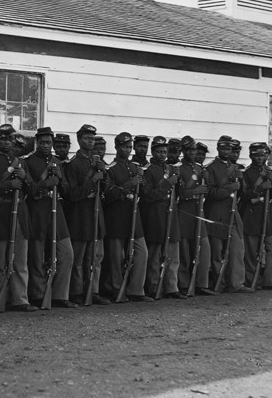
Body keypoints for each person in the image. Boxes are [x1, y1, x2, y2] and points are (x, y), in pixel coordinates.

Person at [0, 124, 37, 312]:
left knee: (20, 260)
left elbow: (33, 190)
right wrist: (8, 185)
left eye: (10, 139)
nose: (6, 142)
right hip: (0, 214)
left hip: (19, 213)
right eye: (3, 138)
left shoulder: (21, 162)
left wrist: (25, 178)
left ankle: (20, 299)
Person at [22, 127, 77, 308]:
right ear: (37, 142)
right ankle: (38, 294)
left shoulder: (57, 162)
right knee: (37, 255)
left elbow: (67, 191)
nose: (46, 146)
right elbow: (28, 189)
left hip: (57, 209)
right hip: (37, 210)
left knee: (66, 252)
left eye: (49, 142)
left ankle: (60, 295)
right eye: (43, 142)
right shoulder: (28, 161)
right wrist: (45, 183)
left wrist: (60, 179)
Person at [101, 132, 153, 302]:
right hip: (117, 216)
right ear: (116, 147)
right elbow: (109, 195)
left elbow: (144, 192)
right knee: (117, 257)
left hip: (133, 214)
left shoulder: (134, 167)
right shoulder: (111, 168)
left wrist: (141, 180)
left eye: (129, 147)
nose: (128, 150)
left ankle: (136, 289)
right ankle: (116, 289)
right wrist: (129, 185)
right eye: (124, 147)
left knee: (141, 252)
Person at [63, 124, 109, 305]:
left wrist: (103, 174)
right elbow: (73, 194)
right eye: (87, 138)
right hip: (80, 217)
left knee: (96, 258)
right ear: (79, 140)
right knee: (79, 259)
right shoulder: (73, 164)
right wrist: (92, 181)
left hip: (96, 216)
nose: (90, 141)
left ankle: (94, 290)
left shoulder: (98, 162)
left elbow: (106, 190)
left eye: (92, 138)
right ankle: (77, 292)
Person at [204, 136, 251, 293]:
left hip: (232, 211)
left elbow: (243, 194)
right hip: (216, 212)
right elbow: (210, 193)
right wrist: (230, 188)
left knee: (237, 248)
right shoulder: (210, 168)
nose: (227, 152)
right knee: (217, 251)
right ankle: (219, 283)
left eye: (229, 149)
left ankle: (236, 283)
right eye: (223, 149)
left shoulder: (236, 167)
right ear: (218, 149)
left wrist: (241, 181)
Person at [138, 136, 184, 299]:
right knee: (155, 256)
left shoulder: (171, 168)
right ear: (153, 152)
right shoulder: (147, 170)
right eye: (158, 151)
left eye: (164, 151)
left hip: (171, 215)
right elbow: (148, 195)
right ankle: (153, 286)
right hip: (155, 216)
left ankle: (172, 287)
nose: (162, 154)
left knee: (172, 254)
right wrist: (168, 183)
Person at [240, 142, 272, 290]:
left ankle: (271, 280)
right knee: (252, 250)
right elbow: (244, 195)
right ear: (251, 156)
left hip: (267, 213)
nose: (261, 158)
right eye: (257, 155)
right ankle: (251, 280)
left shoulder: (269, 172)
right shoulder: (246, 173)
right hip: (252, 215)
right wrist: (260, 186)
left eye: (264, 155)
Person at [176, 136, 216, 296]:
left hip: (199, 210)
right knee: (185, 250)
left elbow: (208, 189)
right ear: (183, 151)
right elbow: (180, 193)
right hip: (185, 211)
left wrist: (207, 181)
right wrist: (195, 191)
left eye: (194, 150)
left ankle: (201, 283)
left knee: (203, 249)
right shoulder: (178, 168)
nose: (193, 153)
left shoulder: (200, 169)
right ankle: (185, 284)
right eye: (189, 150)